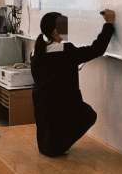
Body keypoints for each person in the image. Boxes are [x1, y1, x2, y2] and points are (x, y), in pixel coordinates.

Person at [30, 9, 115, 157]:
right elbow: (97, 49)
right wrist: (109, 24)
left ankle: (49, 147)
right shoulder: (66, 50)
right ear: (55, 31)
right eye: (63, 26)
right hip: (64, 103)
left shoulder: (36, 52)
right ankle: (58, 147)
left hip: (42, 103)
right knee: (88, 115)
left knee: (51, 126)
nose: (66, 30)